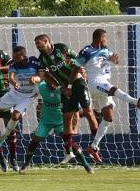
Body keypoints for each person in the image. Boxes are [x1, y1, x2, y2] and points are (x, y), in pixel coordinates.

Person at [77, 29, 140, 161]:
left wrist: (114, 58)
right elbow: (76, 65)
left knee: (108, 118)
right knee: (113, 89)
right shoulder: (86, 51)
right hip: (94, 82)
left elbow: (113, 59)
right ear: (100, 39)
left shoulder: (105, 50)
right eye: (106, 38)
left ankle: (93, 146)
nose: (107, 40)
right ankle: (136, 102)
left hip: (103, 82)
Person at [34, 34, 97, 169]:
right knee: (67, 117)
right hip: (65, 89)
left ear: (47, 41)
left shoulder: (61, 48)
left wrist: (83, 75)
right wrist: (59, 86)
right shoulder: (42, 59)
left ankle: (96, 144)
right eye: (36, 45)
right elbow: (45, 75)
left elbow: (79, 61)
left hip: (77, 82)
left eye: (39, 43)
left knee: (88, 111)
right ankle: (68, 150)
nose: (38, 46)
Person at [20, 79, 92, 174]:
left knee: (69, 141)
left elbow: (74, 109)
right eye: (51, 82)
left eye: (56, 82)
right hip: (45, 121)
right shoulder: (41, 87)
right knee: (35, 140)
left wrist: (74, 125)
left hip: (61, 121)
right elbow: (38, 103)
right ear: (47, 81)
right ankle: (26, 164)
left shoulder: (63, 90)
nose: (54, 84)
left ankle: (86, 165)